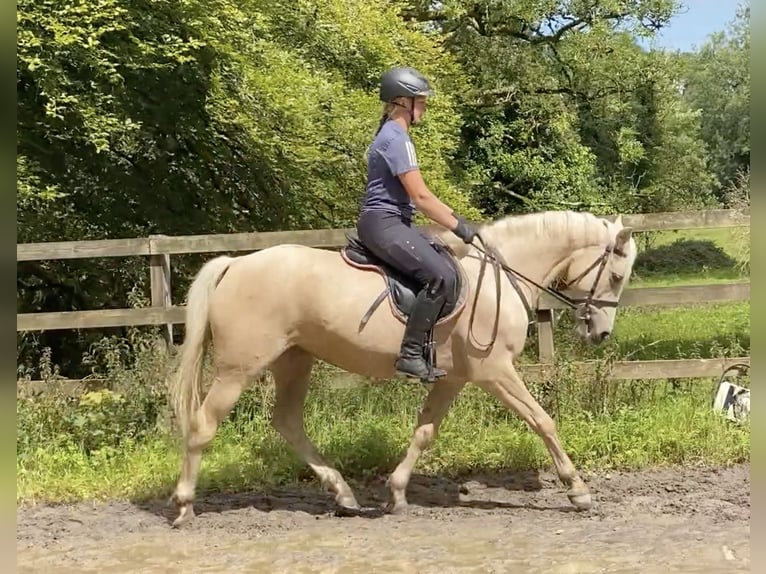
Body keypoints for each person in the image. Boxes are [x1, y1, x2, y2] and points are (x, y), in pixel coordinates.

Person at [356, 66, 479, 381]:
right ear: (402, 102)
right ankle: (410, 355)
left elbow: (422, 197)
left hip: (394, 221)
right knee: (438, 277)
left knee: (443, 265)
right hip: (385, 223)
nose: (423, 106)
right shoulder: (396, 139)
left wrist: (455, 217)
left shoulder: (395, 135)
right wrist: (459, 226)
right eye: (420, 100)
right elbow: (421, 197)